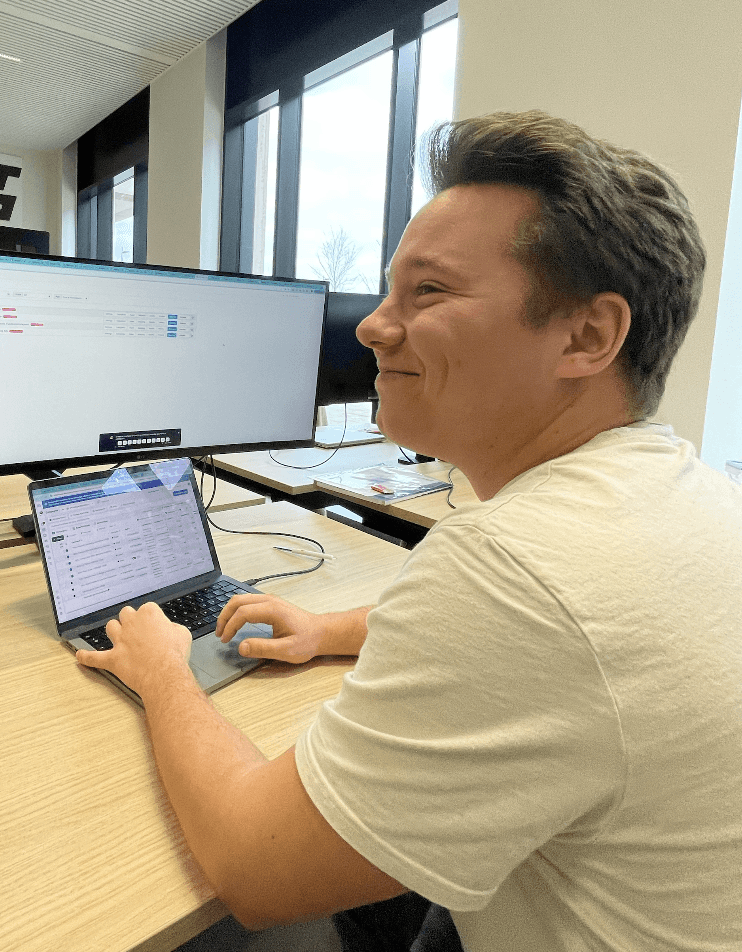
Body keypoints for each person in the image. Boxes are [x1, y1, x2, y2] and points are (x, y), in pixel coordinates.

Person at [76, 111, 742, 951]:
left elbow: (254, 867)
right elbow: (575, 644)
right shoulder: (683, 493)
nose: (370, 326)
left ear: (588, 335)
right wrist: (330, 629)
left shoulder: (517, 566)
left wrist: (166, 672)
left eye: (427, 292)